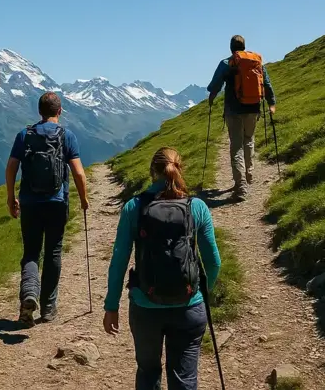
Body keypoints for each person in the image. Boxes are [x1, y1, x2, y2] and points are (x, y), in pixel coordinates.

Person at [102, 147, 221, 390]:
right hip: (189, 306)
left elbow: (119, 262)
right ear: (180, 169)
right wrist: (200, 291)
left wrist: (111, 306)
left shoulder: (133, 208)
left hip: (145, 306)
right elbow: (213, 261)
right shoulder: (196, 207)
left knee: (148, 372)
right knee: (184, 378)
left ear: (151, 172)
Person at [5, 91, 89, 327]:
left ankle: (28, 296)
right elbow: (79, 173)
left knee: (31, 252)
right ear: (59, 111)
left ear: (39, 112)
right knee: (53, 252)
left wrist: (11, 198)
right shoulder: (67, 136)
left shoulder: (25, 135)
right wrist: (83, 200)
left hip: (30, 204)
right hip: (57, 202)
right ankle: (49, 307)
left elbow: (11, 168)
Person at [207, 34, 277, 200]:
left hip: (233, 110)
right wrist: (271, 103)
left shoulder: (226, 63)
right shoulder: (256, 62)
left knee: (236, 146)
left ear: (231, 48)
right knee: (249, 140)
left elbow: (215, 84)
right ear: (244, 47)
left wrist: (212, 98)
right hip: (253, 108)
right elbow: (266, 83)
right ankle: (249, 174)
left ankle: (240, 187)